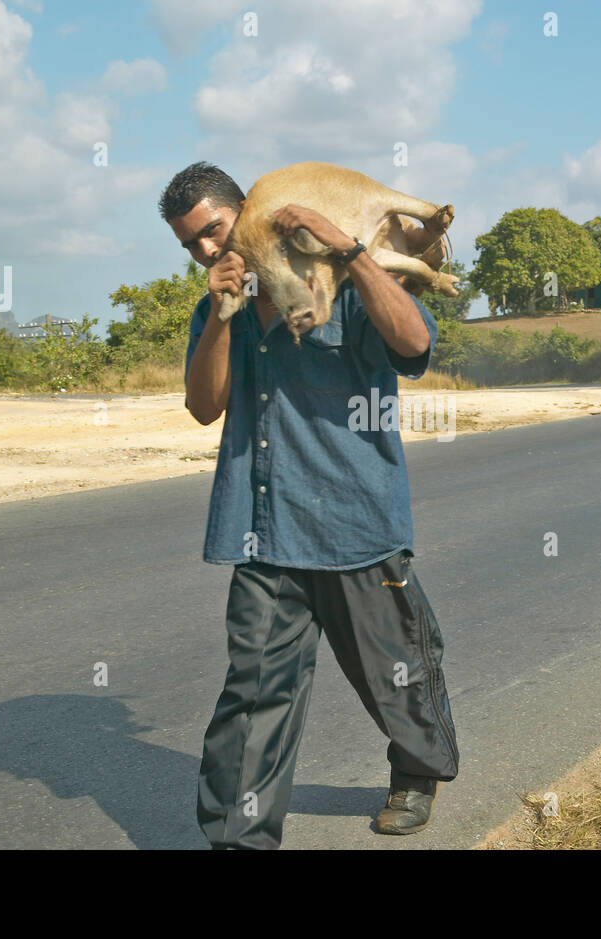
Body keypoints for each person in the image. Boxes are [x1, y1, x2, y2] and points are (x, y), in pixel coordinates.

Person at [160, 162, 459, 849]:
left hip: (357, 522)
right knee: (254, 693)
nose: (206, 249)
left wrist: (349, 250)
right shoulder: (218, 307)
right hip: (263, 529)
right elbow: (205, 406)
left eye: (214, 230)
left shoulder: (342, 283)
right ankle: (241, 834)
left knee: (394, 670)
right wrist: (221, 320)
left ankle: (418, 769)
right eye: (190, 244)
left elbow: (415, 344)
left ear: (254, 211)